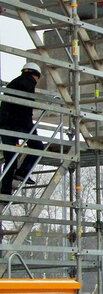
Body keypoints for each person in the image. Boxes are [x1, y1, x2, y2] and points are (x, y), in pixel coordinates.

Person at [1, 63, 45, 198]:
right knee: (38, 147)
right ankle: (23, 172)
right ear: (36, 76)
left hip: (5, 124)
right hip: (20, 123)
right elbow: (25, 107)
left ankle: (5, 190)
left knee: (11, 158)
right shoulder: (29, 83)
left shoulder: (14, 82)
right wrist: (29, 127)